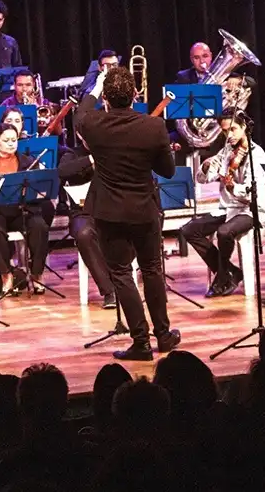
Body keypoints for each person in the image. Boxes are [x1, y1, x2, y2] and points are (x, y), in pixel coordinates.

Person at [75, 66, 178, 360]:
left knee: (121, 274)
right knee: (152, 270)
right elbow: (167, 171)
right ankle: (164, 335)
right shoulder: (153, 127)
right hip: (145, 210)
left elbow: (81, 112)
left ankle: (141, 343)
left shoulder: (93, 124)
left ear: (105, 96)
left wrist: (94, 89)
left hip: (109, 212)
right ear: (136, 94)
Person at [180, 110, 265, 298]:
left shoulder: (257, 155)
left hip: (250, 211)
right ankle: (231, 272)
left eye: (233, 129)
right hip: (227, 208)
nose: (229, 135)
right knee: (188, 230)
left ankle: (222, 277)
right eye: (224, 132)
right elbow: (206, 178)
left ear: (244, 127)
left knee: (223, 232)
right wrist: (205, 168)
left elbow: (251, 194)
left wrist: (231, 188)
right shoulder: (227, 150)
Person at [0, 123, 52, 295]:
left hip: (23, 210)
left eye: (14, 140)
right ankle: (6, 274)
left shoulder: (28, 162)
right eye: (6, 140)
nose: (10, 144)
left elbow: (39, 194)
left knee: (40, 227)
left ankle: (37, 273)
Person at [57, 135, 116, 309]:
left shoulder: (114, 150)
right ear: (81, 135)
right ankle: (109, 291)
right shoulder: (72, 154)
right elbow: (62, 171)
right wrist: (92, 158)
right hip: (83, 213)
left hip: (112, 210)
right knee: (84, 235)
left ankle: (125, 281)